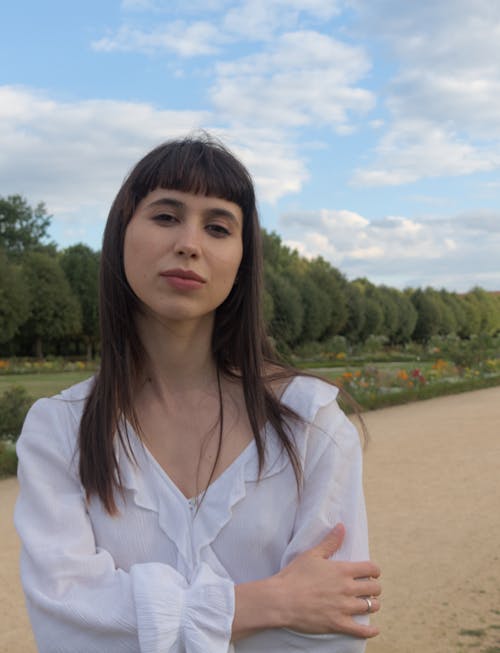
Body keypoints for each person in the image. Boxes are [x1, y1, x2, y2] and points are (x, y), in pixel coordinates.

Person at [15, 135, 381, 653]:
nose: (190, 243)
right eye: (166, 216)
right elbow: (67, 624)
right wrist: (268, 604)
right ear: (122, 233)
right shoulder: (59, 428)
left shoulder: (310, 421)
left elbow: (329, 635)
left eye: (217, 226)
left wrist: (141, 619)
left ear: (241, 257)